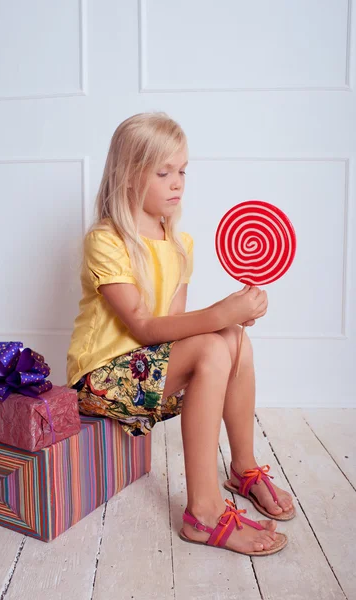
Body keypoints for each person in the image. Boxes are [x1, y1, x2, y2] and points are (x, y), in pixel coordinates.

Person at [66, 112, 295, 557]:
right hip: (102, 378)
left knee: (232, 338)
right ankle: (204, 513)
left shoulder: (179, 242)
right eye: (164, 172)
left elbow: (170, 334)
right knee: (216, 335)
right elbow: (143, 327)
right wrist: (218, 313)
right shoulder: (107, 240)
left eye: (183, 171)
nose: (178, 183)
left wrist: (229, 317)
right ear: (130, 176)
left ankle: (243, 469)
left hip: (149, 371)